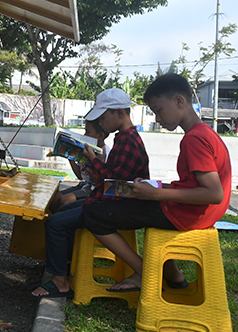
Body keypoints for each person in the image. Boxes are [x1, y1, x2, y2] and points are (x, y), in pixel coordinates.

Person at [81, 73, 232, 291]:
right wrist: (158, 187)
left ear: (179, 101)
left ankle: (145, 272)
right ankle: (175, 278)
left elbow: (213, 193)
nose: (158, 119)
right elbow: (194, 185)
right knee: (135, 200)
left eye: (159, 111)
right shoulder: (204, 133)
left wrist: (158, 194)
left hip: (189, 214)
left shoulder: (194, 139)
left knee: (93, 214)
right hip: (198, 211)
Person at [32, 89, 146, 298]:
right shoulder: (125, 138)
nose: (102, 123)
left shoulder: (128, 141)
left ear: (119, 113)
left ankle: (60, 282)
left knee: (55, 223)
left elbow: (113, 181)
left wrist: (94, 160)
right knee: (62, 211)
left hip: (114, 206)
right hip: (107, 200)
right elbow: (112, 178)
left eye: (103, 117)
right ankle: (63, 265)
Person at [49, 120, 110, 212]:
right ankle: (52, 221)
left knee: (65, 200)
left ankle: (64, 223)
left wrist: (91, 165)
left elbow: (99, 181)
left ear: (100, 136)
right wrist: (70, 156)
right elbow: (80, 176)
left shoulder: (105, 154)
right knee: (55, 198)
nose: (85, 135)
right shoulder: (88, 150)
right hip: (85, 185)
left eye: (88, 132)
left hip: (96, 189)